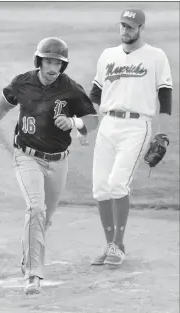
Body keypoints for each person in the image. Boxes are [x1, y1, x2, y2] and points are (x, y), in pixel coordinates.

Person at [0, 37, 98, 294]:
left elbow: (93, 119)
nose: (53, 67)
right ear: (39, 61)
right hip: (27, 156)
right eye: (49, 61)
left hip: (59, 161)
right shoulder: (23, 82)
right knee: (35, 209)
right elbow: (4, 104)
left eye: (58, 63)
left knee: (45, 219)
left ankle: (27, 260)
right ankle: (33, 275)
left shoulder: (70, 89)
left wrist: (75, 124)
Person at [89, 8, 172, 266]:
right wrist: (83, 126)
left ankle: (119, 245)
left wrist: (162, 133)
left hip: (137, 126)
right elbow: (94, 94)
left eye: (130, 27)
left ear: (140, 29)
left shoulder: (156, 56)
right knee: (101, 188)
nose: (125, 31)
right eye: (122, 26)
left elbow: (165, 96)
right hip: (107, 125)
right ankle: (110, 244)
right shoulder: (107, 56)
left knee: (117, 183)